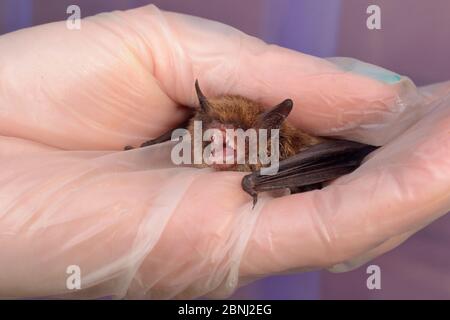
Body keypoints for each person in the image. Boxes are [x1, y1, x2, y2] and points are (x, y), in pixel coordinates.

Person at [0, 4, 448, 299]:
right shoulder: (193, 134)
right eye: (214, 136)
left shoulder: (272, 147)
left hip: (307, 156)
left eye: (231, 140)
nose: (222, 146)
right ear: (202, 126)